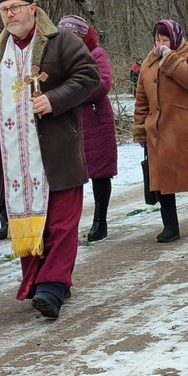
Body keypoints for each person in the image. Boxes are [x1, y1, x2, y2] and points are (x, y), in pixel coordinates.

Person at [0, 0, 101, 319]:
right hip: (13, 161)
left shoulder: (60, 42)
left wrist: (53, 100)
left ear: (32, 8)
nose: (9, 15)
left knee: (60, 224)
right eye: (3, 10)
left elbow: (88, 77)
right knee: (28, 225)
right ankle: (45, 283)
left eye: (14, 8)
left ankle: (52, 287)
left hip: (55, 154)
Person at [132, 20, 188, 243]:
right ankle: (170, 226)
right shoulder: (148, 63)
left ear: (174, 38)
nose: (160, 44)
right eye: (157, 39)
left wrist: (170, 57)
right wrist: (141, 129)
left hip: (185, 128)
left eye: (165, 39)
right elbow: (141, 100)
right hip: (158, 130)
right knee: (162, 181)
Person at [57, 15, 118, 243]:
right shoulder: (58, 57)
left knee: (100, 174)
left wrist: (68, 93)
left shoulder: (97, 54)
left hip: (95, 120)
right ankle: (68, 223)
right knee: (70, 175)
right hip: (67, 122)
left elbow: (102, 84)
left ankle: (100, 220)